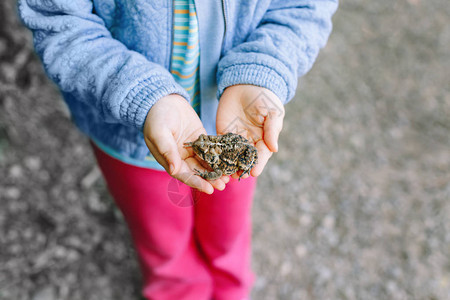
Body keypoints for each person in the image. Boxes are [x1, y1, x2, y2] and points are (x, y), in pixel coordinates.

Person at [19, 0, 338, 299]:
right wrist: (141, 95)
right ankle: (177, 290)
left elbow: (304, 7)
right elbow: (60, 20)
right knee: (162, 238)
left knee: (228, 228)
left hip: (237, 124)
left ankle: (229, 286)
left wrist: (265, 67)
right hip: (130, 133)